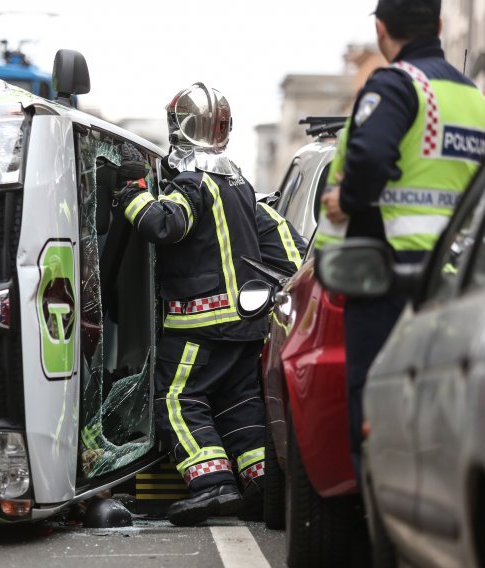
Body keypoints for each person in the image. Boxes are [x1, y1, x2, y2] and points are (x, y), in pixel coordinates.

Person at [112, 82, 305, 526]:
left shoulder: (192, 181)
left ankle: (212, 484)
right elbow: (284, 243)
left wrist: (130, 193)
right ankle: (258, 482)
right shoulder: (236, 182)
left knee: (178, 398)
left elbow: (166, 224)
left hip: (200, 324)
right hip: (245, 324)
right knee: (240, 402)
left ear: (180, 127)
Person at [318, 0, 485, 477]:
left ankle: (384, 520)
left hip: (392, 277)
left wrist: (347, 200)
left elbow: (369, 159)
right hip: (461, 280)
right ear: (437, 25)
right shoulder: (473, 97)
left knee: (376, 406)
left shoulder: (397, 84)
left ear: (380, 29)